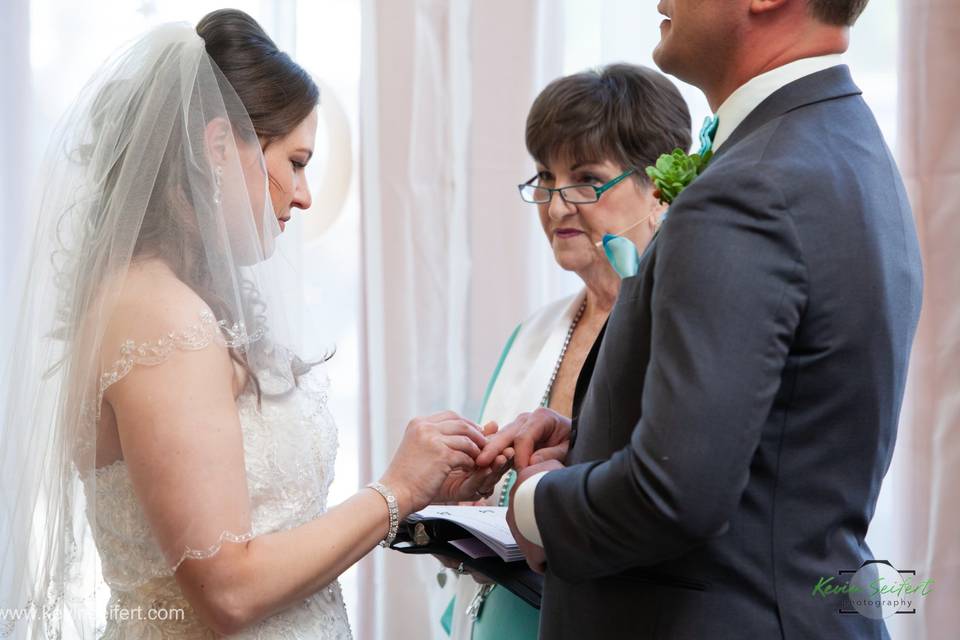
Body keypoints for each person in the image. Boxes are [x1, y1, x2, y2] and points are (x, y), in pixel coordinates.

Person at [0, 10, 509, 639]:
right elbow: (228, 591)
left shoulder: (179, 298)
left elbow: (268, 529)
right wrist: (394, 490)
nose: (304, 195)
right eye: (295, 162)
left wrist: (424, 492)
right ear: (218, 146)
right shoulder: (158, 313)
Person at [479, 0, 923, 638]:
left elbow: (673, 495)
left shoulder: (753, 184)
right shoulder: (843, 143)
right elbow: (775, 438)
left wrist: (531, 502)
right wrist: (589, 437)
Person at [444, 64, 691, 640]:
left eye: (584, 179)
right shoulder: (532, 333)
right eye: (544, 179)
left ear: (657, 184)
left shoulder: (683, 326)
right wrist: (459, 501)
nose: (556, 208)